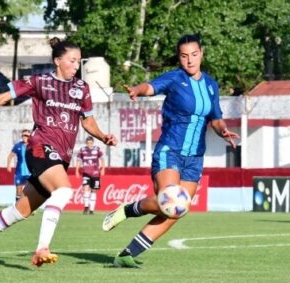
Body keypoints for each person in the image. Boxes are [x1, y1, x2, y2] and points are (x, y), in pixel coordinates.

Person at [0, 37, 117, 268]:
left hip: (60, 157)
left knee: (21, 210)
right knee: (63, 191)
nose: (76, 65)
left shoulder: (81, 88)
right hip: (40, 147)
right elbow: (5, 96)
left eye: (78, 62)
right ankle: (42, 247)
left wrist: (103, 136)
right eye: (72, 61)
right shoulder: (40, 82)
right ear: (57, 61)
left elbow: (88, 120)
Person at [102, 34, 239, 268]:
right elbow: (151, 87)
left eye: (194, 54)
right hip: (170, 150)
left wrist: (223, 131)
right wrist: (136, 89)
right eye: (184, 56)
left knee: (178, 210)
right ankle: (128, 210)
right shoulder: (175, 78)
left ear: (201, 54)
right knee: (169, 200)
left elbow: (216, 119)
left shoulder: (210, 85)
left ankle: (127, 254)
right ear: (179, 58)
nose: (190, 60)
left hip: (195, 157)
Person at [75, 136, 105, 215]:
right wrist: (77, 170)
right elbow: (78, 160)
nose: (90, 144)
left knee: (94, 191)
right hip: (86, 173)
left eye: (91, 143)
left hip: (95, 174)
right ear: (86, 143)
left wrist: (103, 168)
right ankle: (86, 207)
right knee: (86, 189)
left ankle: (91, 210)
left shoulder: (97, 149)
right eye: (88, 143)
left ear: (93, 143)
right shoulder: (82, 150)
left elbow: (102, 158)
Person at [7, 129, 31, 202]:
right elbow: (10, 156)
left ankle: (31, 208)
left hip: (30, 172)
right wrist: (8, 165)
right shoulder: (17, 146)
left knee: (30, 190)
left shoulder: (32, 145)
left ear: (30, 137)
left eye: (27, 135)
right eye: (23, 135)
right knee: (19, 190)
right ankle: (17, 208)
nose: (25, 137)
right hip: (20, 172)